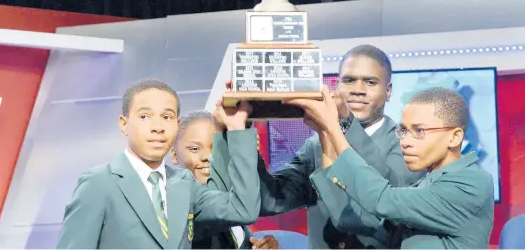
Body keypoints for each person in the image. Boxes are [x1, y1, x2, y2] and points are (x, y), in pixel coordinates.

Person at [210, 45, 424, 249]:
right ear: (337, 85)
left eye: (370, 82)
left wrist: (343, 123)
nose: (358, 90)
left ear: (388, 91)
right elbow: (270, 200)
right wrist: (240, 127)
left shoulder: (406, 145)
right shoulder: (315, 144)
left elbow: (379, 213)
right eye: (349, 81)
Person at [57, 78, 261, 249]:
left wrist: (236, 127)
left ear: (177, 125)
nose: (158, 127)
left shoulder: (185, 184)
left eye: (166, 117)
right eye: (145, 116)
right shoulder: (99, 183)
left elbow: (243, 210)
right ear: (124, 124)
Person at [289, 86, 495, 249]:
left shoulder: (470, 184)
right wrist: (325, 133)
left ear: (454, 136)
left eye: (419, 131)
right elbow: (366, 224)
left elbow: (382, 199)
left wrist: (334, 126)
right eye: (403, 131)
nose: (405, 141)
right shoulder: (427, 183)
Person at [171, 110, 280, 249]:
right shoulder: (181, 206)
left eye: (216, 148)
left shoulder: (232, 202)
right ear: (174, 155)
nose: (207, 156)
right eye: (194, 148)